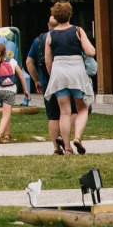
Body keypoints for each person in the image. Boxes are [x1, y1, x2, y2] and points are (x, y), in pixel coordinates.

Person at [44, 1, 97, 154]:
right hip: (77, 73)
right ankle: (78, 137)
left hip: (58, 72)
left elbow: (48, 61)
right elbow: (91, 52)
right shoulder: (77, 30)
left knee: (64, 112)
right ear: (70, 15)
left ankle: (67, 148)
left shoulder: (50, 35)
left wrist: (53, 75)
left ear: (55, 16)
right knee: (82, 108)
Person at [26, 16, 77, 154]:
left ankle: (56, 149)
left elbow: (29, 62)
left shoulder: (39, 40)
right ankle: (65, 140)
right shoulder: (68, 37)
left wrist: (37, 80)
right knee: (73, 111)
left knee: (53, 116)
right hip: (66, 81)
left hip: (47, 83)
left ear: (48, 24)